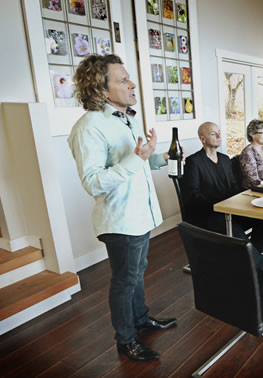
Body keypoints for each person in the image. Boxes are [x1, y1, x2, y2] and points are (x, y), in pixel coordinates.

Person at [67, 54, 175, 362]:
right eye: (122, 80)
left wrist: (157, 156)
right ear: (101, 90)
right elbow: (93, 182)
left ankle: (141, 320)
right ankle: (126, 340)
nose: (131, 84)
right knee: (124, 281)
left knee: (137, 273)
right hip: (120, 220)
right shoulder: (88, 127)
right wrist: (137, 158)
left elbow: (139, 162)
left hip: (141, 215)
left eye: (129, 78)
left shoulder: (127, 118)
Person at [180, 122, 263, 270]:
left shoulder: (224, 159)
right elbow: (193, 196)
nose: (219, 136)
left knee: (262, 215)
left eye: (219, 132)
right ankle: (259, 266)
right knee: (233, 228)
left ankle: (255, 251)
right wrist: (220, 204)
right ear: (203, 139)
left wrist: (245, 201)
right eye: (213, 133)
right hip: (209, 214)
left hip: (229, 209)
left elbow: (234, 187)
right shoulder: (193, 162)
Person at [240, 119, 263, 189]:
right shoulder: (248, 152)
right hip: (255, 191)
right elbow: (253, 181)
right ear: (252, 134)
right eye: (262, 133)